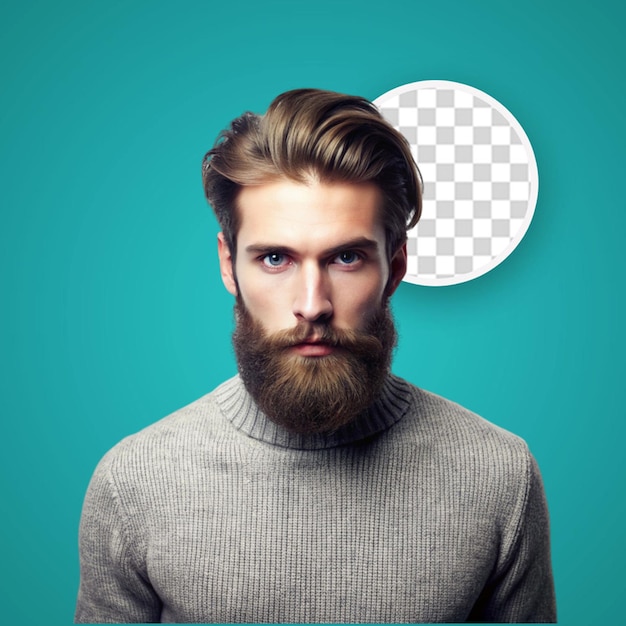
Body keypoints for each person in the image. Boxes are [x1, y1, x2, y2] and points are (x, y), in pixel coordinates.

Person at [75, 89, 556, 623]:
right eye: (275, 258)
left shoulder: (498, 475)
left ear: (395, 267)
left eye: (346, 257)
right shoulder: (134, 481)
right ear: (229, 266)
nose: (312, 305)